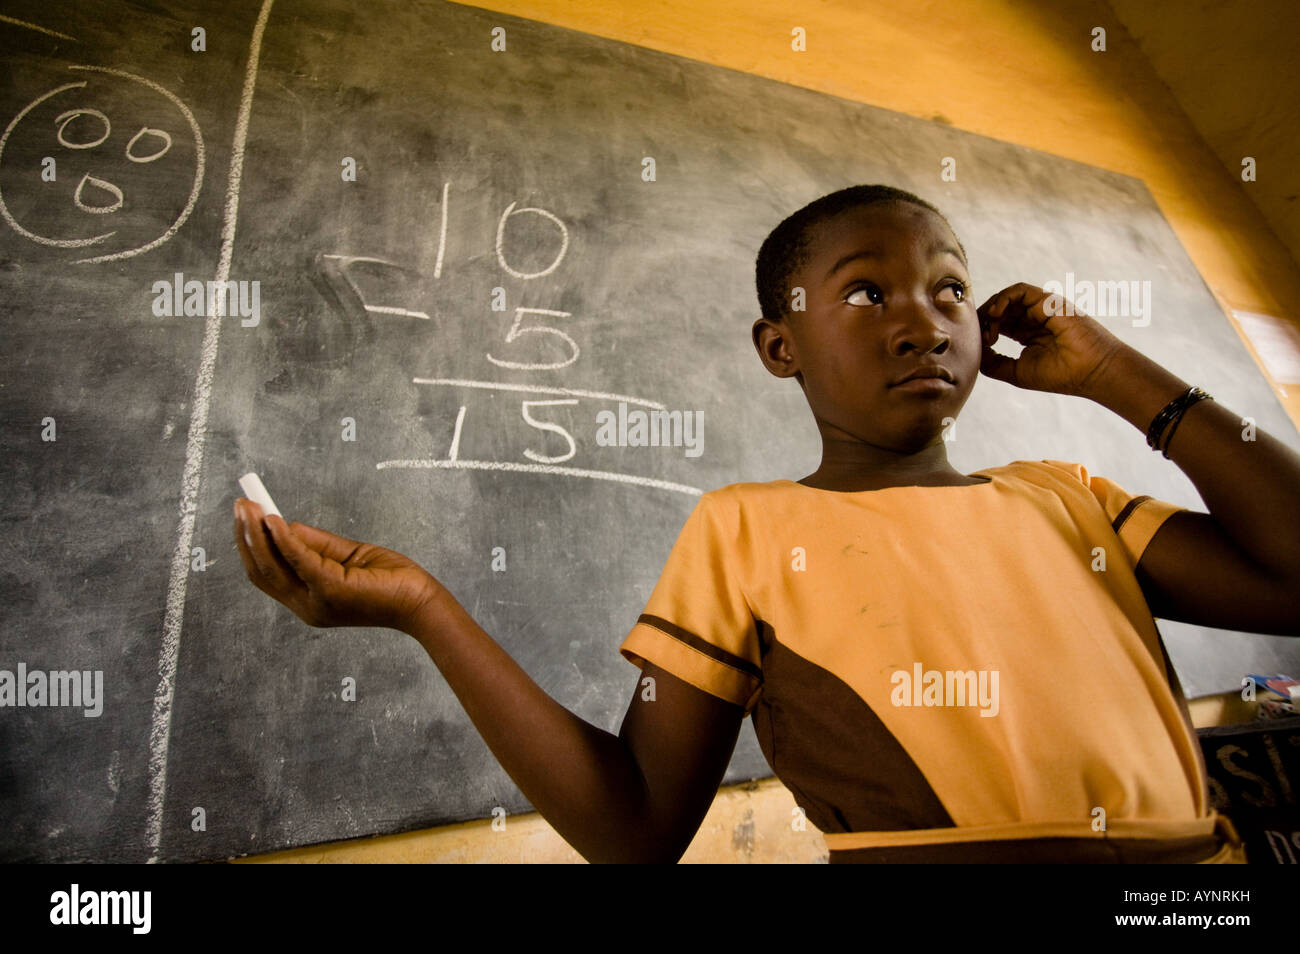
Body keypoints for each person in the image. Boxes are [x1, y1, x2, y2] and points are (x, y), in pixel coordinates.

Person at [234, 184, 1299, 863]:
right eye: (866, 294)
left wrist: (1119, 374)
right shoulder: (743, 534)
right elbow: (635, 825)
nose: (921, 320)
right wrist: (424, 608)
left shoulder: (1069, 497)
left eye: (949, 291)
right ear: (779, 347)